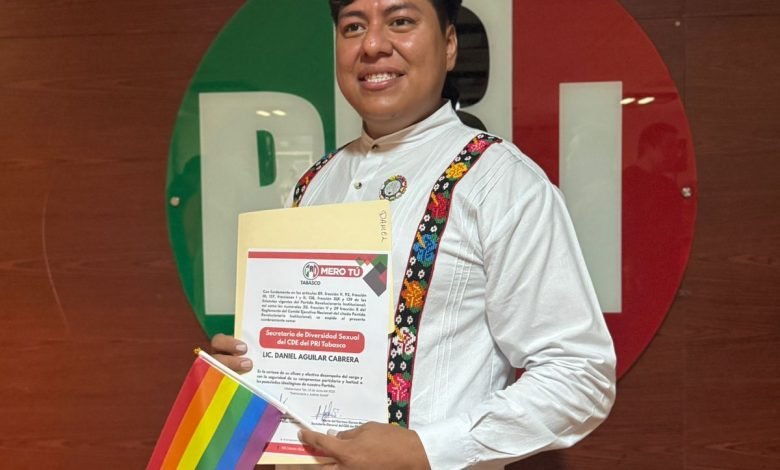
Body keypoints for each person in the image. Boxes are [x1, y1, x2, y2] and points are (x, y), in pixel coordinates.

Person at [212, 0, 616, 468]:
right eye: (353, 27)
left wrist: (428, 449)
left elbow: (580, 375)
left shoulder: (500, 182)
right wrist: (249, 372)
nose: (373, 45)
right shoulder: (313, 185)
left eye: (400, 21)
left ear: (449, 44)